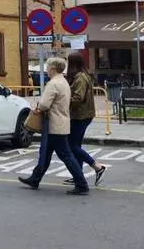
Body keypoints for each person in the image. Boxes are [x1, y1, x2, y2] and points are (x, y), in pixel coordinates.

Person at [18, 57, 90, 195]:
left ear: (52, 68)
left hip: (53, 124)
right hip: (61, 122)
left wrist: (38, 106)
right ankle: (35, 179)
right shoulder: (63, 82)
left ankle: (82, 184)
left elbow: (44, 104)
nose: (46, 70)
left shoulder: (53, 84)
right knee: (45, 154)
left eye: (47, 67)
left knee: (66, 155)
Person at [65, 51, 107, 186]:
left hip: (80, 116)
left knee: (72, 146)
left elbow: (78, 97)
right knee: (76, 146)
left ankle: (97, 167)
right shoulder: (82, 75)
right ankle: (78, 175)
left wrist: (63, 101)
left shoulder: (81, 78)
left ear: (72, 63)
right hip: (83, 115)